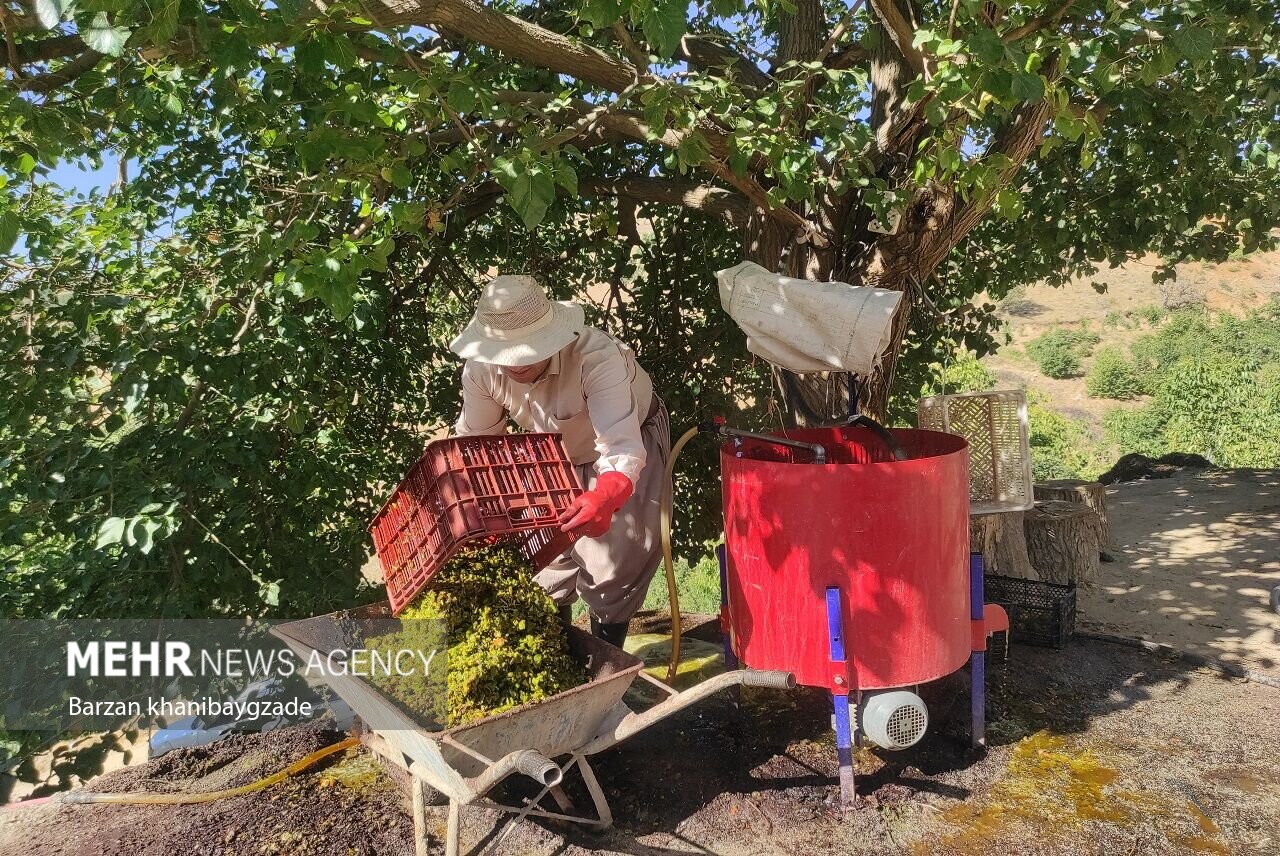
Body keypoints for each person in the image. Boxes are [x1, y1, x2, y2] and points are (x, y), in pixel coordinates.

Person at [449, 274, 670, 648]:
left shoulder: (596, 358)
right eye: (502, 356)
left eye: (523, 353)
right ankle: (558, 654)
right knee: (543, 562)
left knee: (612, 569)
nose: (511, 366)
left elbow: (622, 450)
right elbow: (476, 444)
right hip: (553, 453)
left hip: (627, 443)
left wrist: (606, 495)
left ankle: (607, 657)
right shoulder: (481, 370)